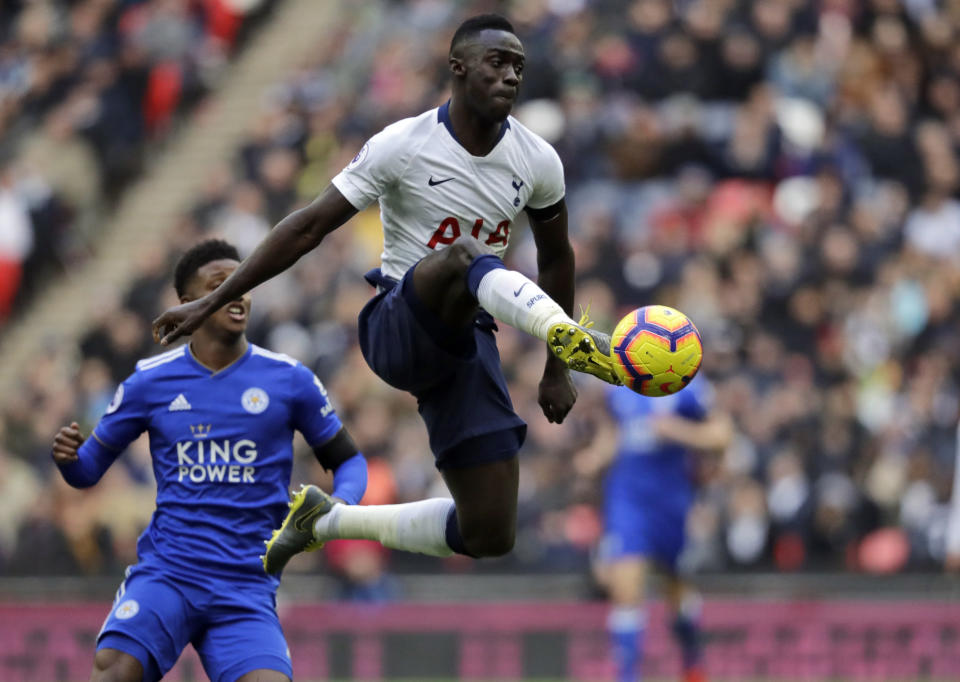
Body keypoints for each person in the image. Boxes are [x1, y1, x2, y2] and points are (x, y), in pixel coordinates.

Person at [152, 14, 620, 573]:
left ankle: (326, 522)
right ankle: (569, 335)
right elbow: (307, 227)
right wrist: (211, 300)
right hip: (398, 322)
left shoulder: (538, 160)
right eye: (498, 62)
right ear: (458, 67)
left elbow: (558, 257)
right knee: (467, 255)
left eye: (519, 66)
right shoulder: (402, 144)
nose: (511, 76)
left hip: (467, 342)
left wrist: (555, 370)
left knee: (490, 532)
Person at [52, 239, 368, 682]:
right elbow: (87, 471)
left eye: (244, 282)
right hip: (169, 575)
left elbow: (349, 461)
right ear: (188, 304)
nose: (238, 293)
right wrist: (69, 461)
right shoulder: (150, 381)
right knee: (114, 670)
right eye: (222, 285)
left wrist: (342, 506)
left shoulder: (290, 380)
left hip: (244, 586)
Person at [575, 377, 732, 682]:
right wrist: (596, 457)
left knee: (676, 587)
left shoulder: (692, 388)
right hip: (627, 497)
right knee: (626, 583)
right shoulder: (618, 386)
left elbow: (722, 435)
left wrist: (678, 430)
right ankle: (627, 676)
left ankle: (692, 661)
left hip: (672, 501)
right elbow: (615, 434)